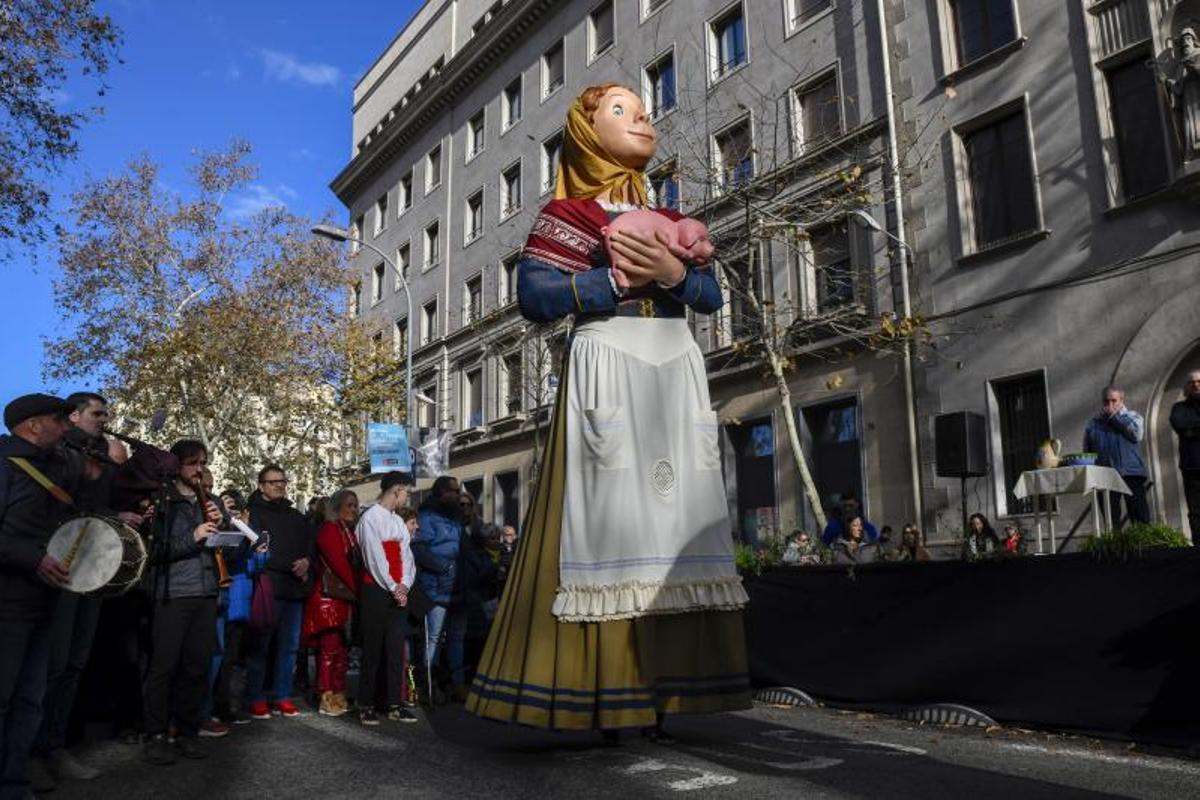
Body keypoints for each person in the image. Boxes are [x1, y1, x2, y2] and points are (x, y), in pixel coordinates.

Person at [467, 83, 750, 743]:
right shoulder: (566, 215)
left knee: (677, 520)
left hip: (673, 365)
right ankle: (605, 692)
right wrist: (617, 281)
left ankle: (665, 688)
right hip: (609, 362)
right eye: (621, 110)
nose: (643, 117)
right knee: (606, 522)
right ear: (589, 132)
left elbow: (707, 292)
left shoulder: (668, 209)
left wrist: (675, 276)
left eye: (642, 108)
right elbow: (535, 297)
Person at [33, 392, 123, 786]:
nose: (105, 420)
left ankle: (55, 746)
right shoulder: (60, 455)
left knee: (74, 663)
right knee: (53, 666)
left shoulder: (100, 456)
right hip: (61, 569)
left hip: (93, 568)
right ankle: (35, 752)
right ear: (73, 416)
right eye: (97, 414)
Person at [0, 394, 74, 800]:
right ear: (32, 426)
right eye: (58, 420)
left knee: (30, 701)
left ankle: (14, 783)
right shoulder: (5, 466)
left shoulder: (55, 469)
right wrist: (35, 559)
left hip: (43, 603)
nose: (65, 427)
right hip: (7, 605)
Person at [141, 439, 226, 766]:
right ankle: (156, 734)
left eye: (203, 462)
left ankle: (187, 731)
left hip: (206, 591)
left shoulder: (212, 499)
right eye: (193, 463)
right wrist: (192, 538)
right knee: (164, 667)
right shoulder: (163, 501)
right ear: (177, 465)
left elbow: (227, 550)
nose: (199, 469)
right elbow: (153, 553)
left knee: (196, 666)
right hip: (173, 594)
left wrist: (225, 527)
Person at [245, 465, 315, 720]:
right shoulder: (251, 513)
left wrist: (307, 560)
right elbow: (257, 548)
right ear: (261, 485)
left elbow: (310, 543)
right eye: (272, 481)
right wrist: (289, 565)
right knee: (261, 646)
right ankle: (256, 696)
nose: (278, 485)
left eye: (282, 481)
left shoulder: (296, 515)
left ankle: (282, 695)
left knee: (289, 647)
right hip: (267, 587)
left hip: (294, 589)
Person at [355, 472, 418, 725]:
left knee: (394, 649)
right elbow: (374, 558)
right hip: (377, 590)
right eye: (406, 492)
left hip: (397, 590)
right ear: (396, 490)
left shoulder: (398, 522)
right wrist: (394, 586)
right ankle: (366, 703)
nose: (407, 497)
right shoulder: (370, 518)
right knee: (373, 649)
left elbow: (407, 556)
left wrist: (405, 584)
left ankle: (393, 702)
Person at [209, 490, 267, 727]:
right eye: (225, 508)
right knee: (215, 658)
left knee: (231, 659)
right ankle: (210, 708)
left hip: (239, 603)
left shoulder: (247, 532)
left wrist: (258, 550)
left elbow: (256, 568)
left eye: (233, 509)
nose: (229, 513)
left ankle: (224, 707)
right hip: (219, 601)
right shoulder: (219, 528)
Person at [303, 489, 360, 717]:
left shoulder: (348, 531)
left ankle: (338, 693)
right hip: (328, 599)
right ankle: (326, 694)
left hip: (343, 598)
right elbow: (339, 564)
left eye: (355, 505)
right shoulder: (329, 530)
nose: (354, 510)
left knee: (341, 650)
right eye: (349, 505)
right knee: (329, 649)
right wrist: (359, 590)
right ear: (336, 507)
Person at [412, 476, 464, 698]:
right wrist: (444, 568)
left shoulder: (456, 518)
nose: (457, 494)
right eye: (453, 490)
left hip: (459, 587)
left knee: (456, 638)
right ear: (441, 492)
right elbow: (419, 549)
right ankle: (428, 683)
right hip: (436, 587)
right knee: (433, 637)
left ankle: (456, 683)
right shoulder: (427, 517)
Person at [1083, 385, 1150, 525]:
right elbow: (1087, 452)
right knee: (1111, 522)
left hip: (1131, 473)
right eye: (1106, 401)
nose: (1110, 405)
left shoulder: (1132, 417)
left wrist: (1114, 418)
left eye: (1114, 401)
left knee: (1140, 518)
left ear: (1121, 400)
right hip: (1105, 476)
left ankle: (1144, 547)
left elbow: (1136, 435)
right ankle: (1116, 547)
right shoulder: (1094, 424)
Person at [1169, 370, 1200, 540]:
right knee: (1196, 511)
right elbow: (1179, 424)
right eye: (1192, 382)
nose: (1196, 385)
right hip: (1192, 466)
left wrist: (1192, 429)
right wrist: (1188, 430)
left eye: (1199, 381)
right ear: (1186, 387)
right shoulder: (1179, 408)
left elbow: (1188, 428)